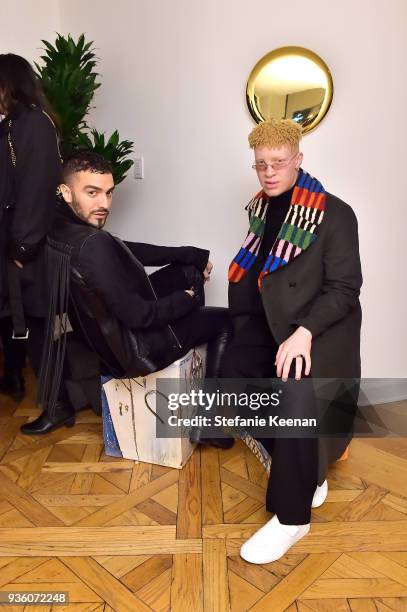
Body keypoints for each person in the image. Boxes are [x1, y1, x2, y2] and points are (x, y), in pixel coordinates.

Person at [220, 119, 362, 563]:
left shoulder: (334, 213)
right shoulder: (260, 208)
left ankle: (291, 516)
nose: (268, 172)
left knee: (295, 391)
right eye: (260, 164)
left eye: (278, 162)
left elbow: (344, 288)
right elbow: (260, 272)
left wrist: (303, 334)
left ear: (299, 160)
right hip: (270, 324)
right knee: (232, 379)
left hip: (319, 330)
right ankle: (309, 469)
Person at [23, 150, 232, 440]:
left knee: (187, 270)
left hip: (104, 336)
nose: (104, 204)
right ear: (66, 191)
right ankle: (207, 423)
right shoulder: (92, 245)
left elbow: (124, 248)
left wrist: (192, 255)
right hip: (136, 351)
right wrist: (186, 298)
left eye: (108, 193)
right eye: (92, 192)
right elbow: (139, 315)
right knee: (227, 321)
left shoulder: (62, 228)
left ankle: (188, 349)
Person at [0, 54, 61, 405]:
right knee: (14, 313)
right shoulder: (13, 124)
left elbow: (36, 188)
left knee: (33, 320)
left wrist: (22, 247)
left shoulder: (35, 124)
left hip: (26, 241)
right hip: (15, 237)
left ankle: (55, 406)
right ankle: (16, 380)